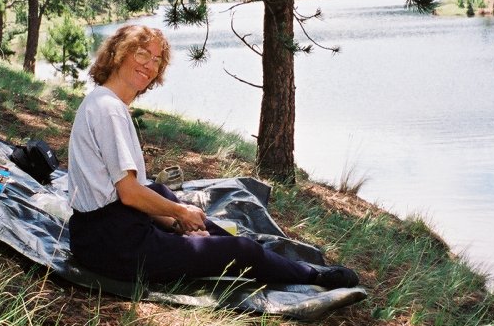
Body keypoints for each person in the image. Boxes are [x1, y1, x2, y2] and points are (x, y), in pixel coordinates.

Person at [67, 24, 359, 288]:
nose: (150, 66)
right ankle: (311, 276)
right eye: (143, 54)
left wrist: (179, 222)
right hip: (115, 248)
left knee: (160, 191)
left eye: (157, 60)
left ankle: (213, 242)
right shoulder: (109, 110)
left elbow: (130, 195)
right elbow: (129, 194)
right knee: (241, 252)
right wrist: (181, 213)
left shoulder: (102, 101)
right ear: (119, 53)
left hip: (97, 236)